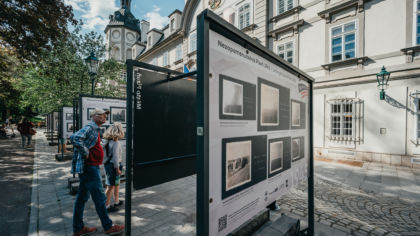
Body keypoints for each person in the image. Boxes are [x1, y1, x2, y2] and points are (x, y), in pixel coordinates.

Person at [70, 108, 124, 236]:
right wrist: (86, 153)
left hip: (89, 168)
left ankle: (78, 228)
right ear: (94, 116)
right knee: (100, 197)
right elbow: (75, 138)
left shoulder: (95, 129)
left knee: (82, 198)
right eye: (102, 115)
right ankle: (108, 226)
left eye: (105, 115)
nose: (105, 117)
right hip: (90, 168)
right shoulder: (91, 127)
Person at [102, 123, 125, 212]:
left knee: (116, 184)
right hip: (114, 166)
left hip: (108, 165)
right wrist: (117, 169)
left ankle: (116, 201)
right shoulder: (116, 143)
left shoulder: (107, 141)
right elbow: (115, 158)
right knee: (111, 186)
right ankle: (106, 206)